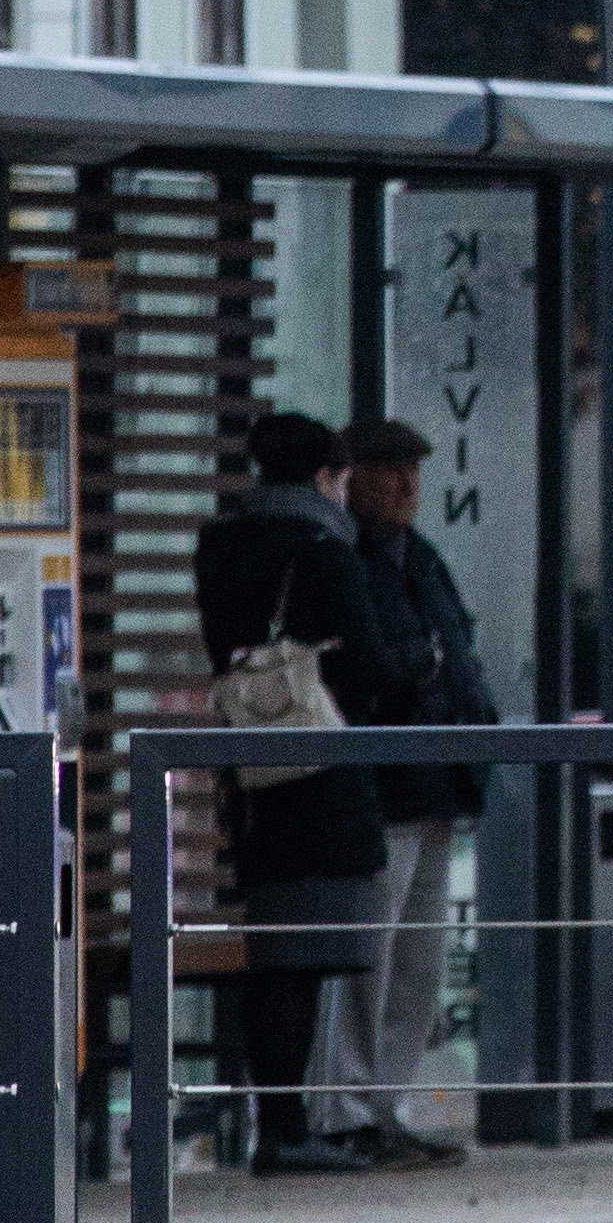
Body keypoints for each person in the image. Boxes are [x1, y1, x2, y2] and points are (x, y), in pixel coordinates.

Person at [191, 412, 404, 1174]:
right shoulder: (323, 549)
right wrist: (414, 662)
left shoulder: (221, 546)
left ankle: (277, 1119)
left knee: (274, 949)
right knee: (303, 959)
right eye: (343, 480)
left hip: (252, 773)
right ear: (325, 477)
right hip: (318, 771)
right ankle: (286, 1126)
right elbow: (370, 666)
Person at [315, 419, 493, 1168]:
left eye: (414, 470)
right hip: (384, 788)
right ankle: (347, 1107)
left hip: (436, 785)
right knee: (371, 958)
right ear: (353, 477)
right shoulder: (350, 560)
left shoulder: (420, 559)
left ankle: (383, 1104)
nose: (407, 485)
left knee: (416, 962)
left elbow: (458, 656)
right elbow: (373, 673)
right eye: (390, 470)